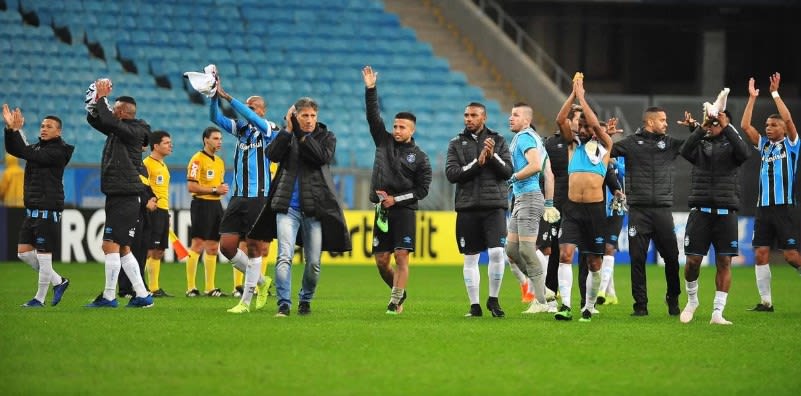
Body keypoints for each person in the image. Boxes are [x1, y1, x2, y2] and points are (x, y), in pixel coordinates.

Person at [249, 98, 352, 317]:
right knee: (284, 256)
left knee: (313, 263)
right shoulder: (286, 136)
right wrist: (287, 131)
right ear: (295, 116)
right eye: (304, 116)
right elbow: (271, 155)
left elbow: (321, 157)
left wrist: (301, 136)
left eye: (313, 116)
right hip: (287, 207)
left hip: (314, 209)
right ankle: (283, 304)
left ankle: (305, 299)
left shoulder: (326, 137)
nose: (309, 120)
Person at [362, 66, 432, 315]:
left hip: (404, 211)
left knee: (402, 256)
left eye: (402, 127)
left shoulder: (421, 158)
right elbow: (373, 116)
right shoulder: (383, 141)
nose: (397, 130)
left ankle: (395, 301)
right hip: (382, 210)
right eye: (395, 126)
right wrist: (371, 90)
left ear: (412, 130)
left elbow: (422, 189)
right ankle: (399, 291)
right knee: (382, 262)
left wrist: (397, 199)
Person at [678, 107, 750, 325]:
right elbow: (684, 150)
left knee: (724, 262)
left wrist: (725, 126)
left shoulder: (733, 147)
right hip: (700, 213)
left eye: (718, 121)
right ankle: (692, 301)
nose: (714, 124)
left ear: (727, 124)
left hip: (726, 213)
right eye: (712, 121)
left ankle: (717, 312)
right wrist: (701, 128)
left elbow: (745, 153)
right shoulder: (700, 144)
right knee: (692, 262)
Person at [85, 79, 154, 308]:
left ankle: (109, 296)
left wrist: (102, 97)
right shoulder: (122, 129)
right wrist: (95, 102)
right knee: (123, 247)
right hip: (121, 193)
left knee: (110, 244)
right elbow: (97, 120)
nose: (112, 112)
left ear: (123, 113)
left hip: (125, 194)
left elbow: (107, 120)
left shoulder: (133, 130)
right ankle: (142, 295)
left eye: (115, 109)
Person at [611, 106, 684, 317]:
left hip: (662, 210)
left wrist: (695, 129)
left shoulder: (669, 143)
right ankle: (640, 305)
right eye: (662, 120)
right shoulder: (631, 143)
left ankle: (673, 297)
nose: (666, 123)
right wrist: (606, 136)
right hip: (638, 212)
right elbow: (606, 152)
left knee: (672, 257)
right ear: (650, 122)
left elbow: (692, 146)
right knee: (637, 259)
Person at [210, 76, 274, 313]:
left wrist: (229, 97)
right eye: (247, 107)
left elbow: (255, 120)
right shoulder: (240, 131)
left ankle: (245, 303)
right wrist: (214, 98)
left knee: (255, 248)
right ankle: (261, 281)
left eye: (253, 107)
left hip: (259, 197)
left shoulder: (269, 130)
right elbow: (214, 118)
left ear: (262, 111)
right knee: (226, 247)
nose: (248, 111)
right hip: (238, 197)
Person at [445, 102, 513, 317]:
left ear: (484, 117)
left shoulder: (499, 140)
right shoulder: (456, 143)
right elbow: (452, 174)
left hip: (494, 206)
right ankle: (474, 306)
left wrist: (491, 156)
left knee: (496, 252)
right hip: (468, 207)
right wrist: (478, 162)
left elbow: (508, 171)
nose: (468, 119)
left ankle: (493, 299)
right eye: (466, 115)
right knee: (470, 257)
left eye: (473, 115)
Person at [740, 73, 801, 312]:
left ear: (785, 129)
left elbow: (788, 117)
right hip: (763, 208)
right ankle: (766, 302)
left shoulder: (792, 144)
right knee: (760, 254)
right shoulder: (764, 145)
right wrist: (752, 97)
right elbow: (745, 126)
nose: (768, 127)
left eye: (773, 125)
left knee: (791, 256)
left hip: (783, 207)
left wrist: (774, 93)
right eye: (767, 125)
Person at [554, 76, 612, 322]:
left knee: (594, 263)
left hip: (595, 211)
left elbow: (596, 127)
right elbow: (560, 119)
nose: (585, 130)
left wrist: (583, 99)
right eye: (582, 126)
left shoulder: (606, 145)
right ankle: (565, 305)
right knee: (565, 255)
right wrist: (573, 96)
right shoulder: (572, 146)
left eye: (590, 127)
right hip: (573, 210)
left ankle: (588, 307)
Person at [3, 105, 73, 307]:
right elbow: (14, 149)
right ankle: (59, 281)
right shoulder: (36, 148)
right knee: (24, 253)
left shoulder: (59, 151)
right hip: (32, 210)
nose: (43, 129)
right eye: (42, 126)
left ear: (58, 131)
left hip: (47, 210)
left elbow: (25, 152)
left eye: (49, 126)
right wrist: (10, 130)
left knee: (44, 257)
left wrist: (17, 131)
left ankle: (39, 299)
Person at [506, 102, 560, 317]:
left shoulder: (525, 137)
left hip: (528, 197)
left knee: (526, 250)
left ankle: (541, 301)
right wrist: (548, 203)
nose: (511, 118)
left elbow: (535, 166)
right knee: (511, 250)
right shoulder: (537, 140)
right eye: (511, 114)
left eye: (516, 115)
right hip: (524, 198)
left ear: (527, 120)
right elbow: (549, 173)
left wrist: (513, 178)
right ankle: (543, 290)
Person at [185, 126, 229, 297]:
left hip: (216, 205)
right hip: (202, 204)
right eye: (216, 138)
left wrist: (219, 191)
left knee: (212, 246)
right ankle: (191, 288)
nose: (220, 142)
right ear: (206, 140)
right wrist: (213, 189)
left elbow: (218, 187)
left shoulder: (219, 161)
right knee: (198, 244)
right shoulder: (197, 160)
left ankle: (210, 288)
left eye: (221, 139)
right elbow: (191, 186)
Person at [142, 130, 174, 297]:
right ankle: (141, 286)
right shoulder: (147, 163)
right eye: (166, 143)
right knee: (148, 248)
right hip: (152, 210)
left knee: (159, 250)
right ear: (155, 146)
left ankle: (154, 288)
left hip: (163, 210)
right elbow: (143, 186)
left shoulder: (162, 164)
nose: (171, 145)